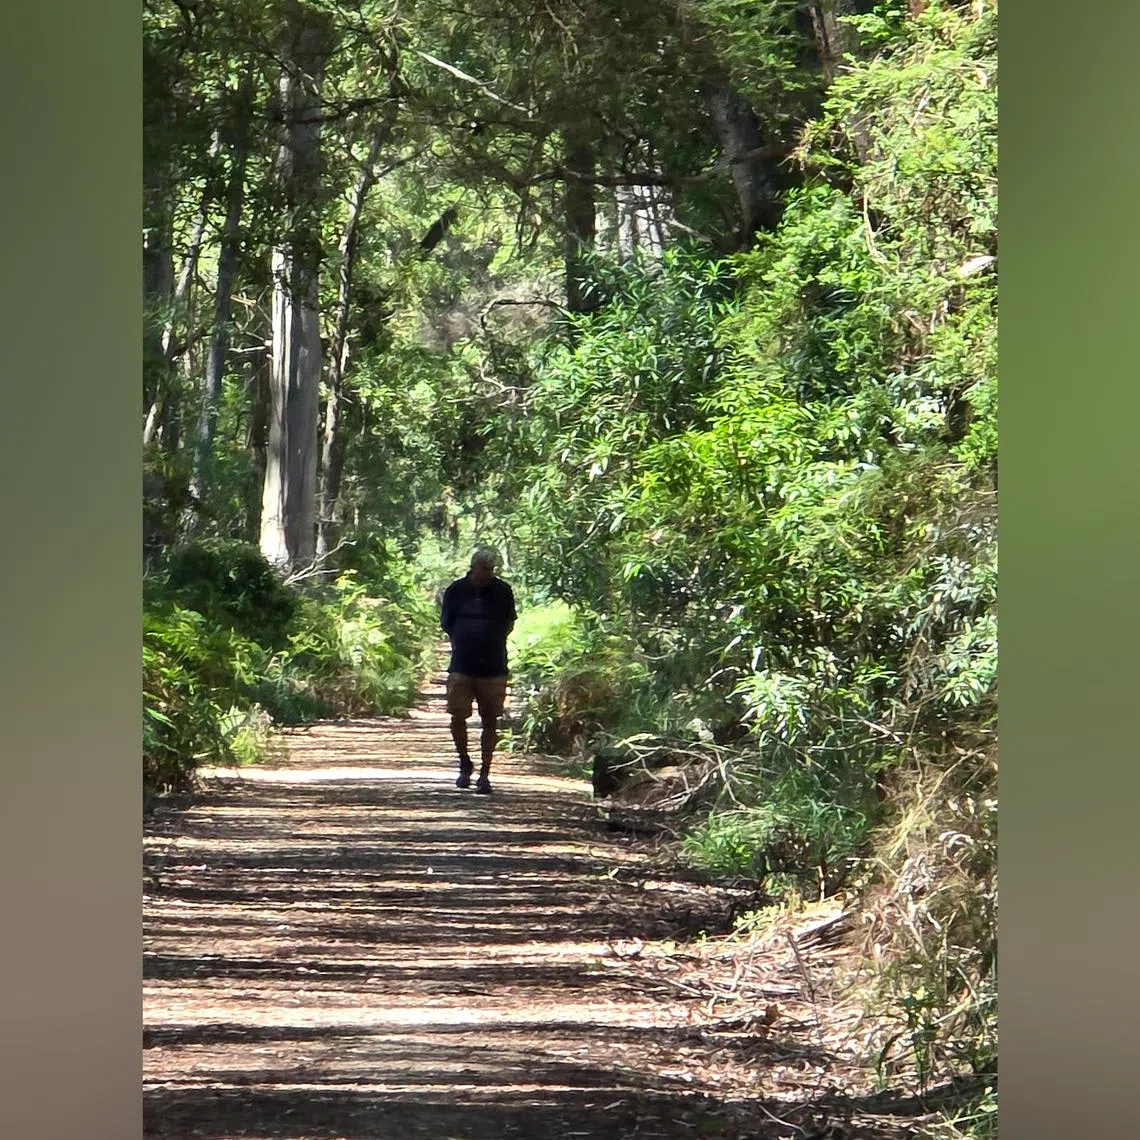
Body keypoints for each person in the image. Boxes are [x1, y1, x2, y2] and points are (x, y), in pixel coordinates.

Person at [439, 549, 517, 794]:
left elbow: (509, 622)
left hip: (493, 667)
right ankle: (464, 763)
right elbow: (446, 623)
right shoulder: (456, 590)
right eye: (484, 569)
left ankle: (485, 773)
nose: (488, 574)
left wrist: (490, 640)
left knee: (490, 719)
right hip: (462, 665)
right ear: (473, 568)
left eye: (491, 570)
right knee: (457, 716)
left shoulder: (503, 591)